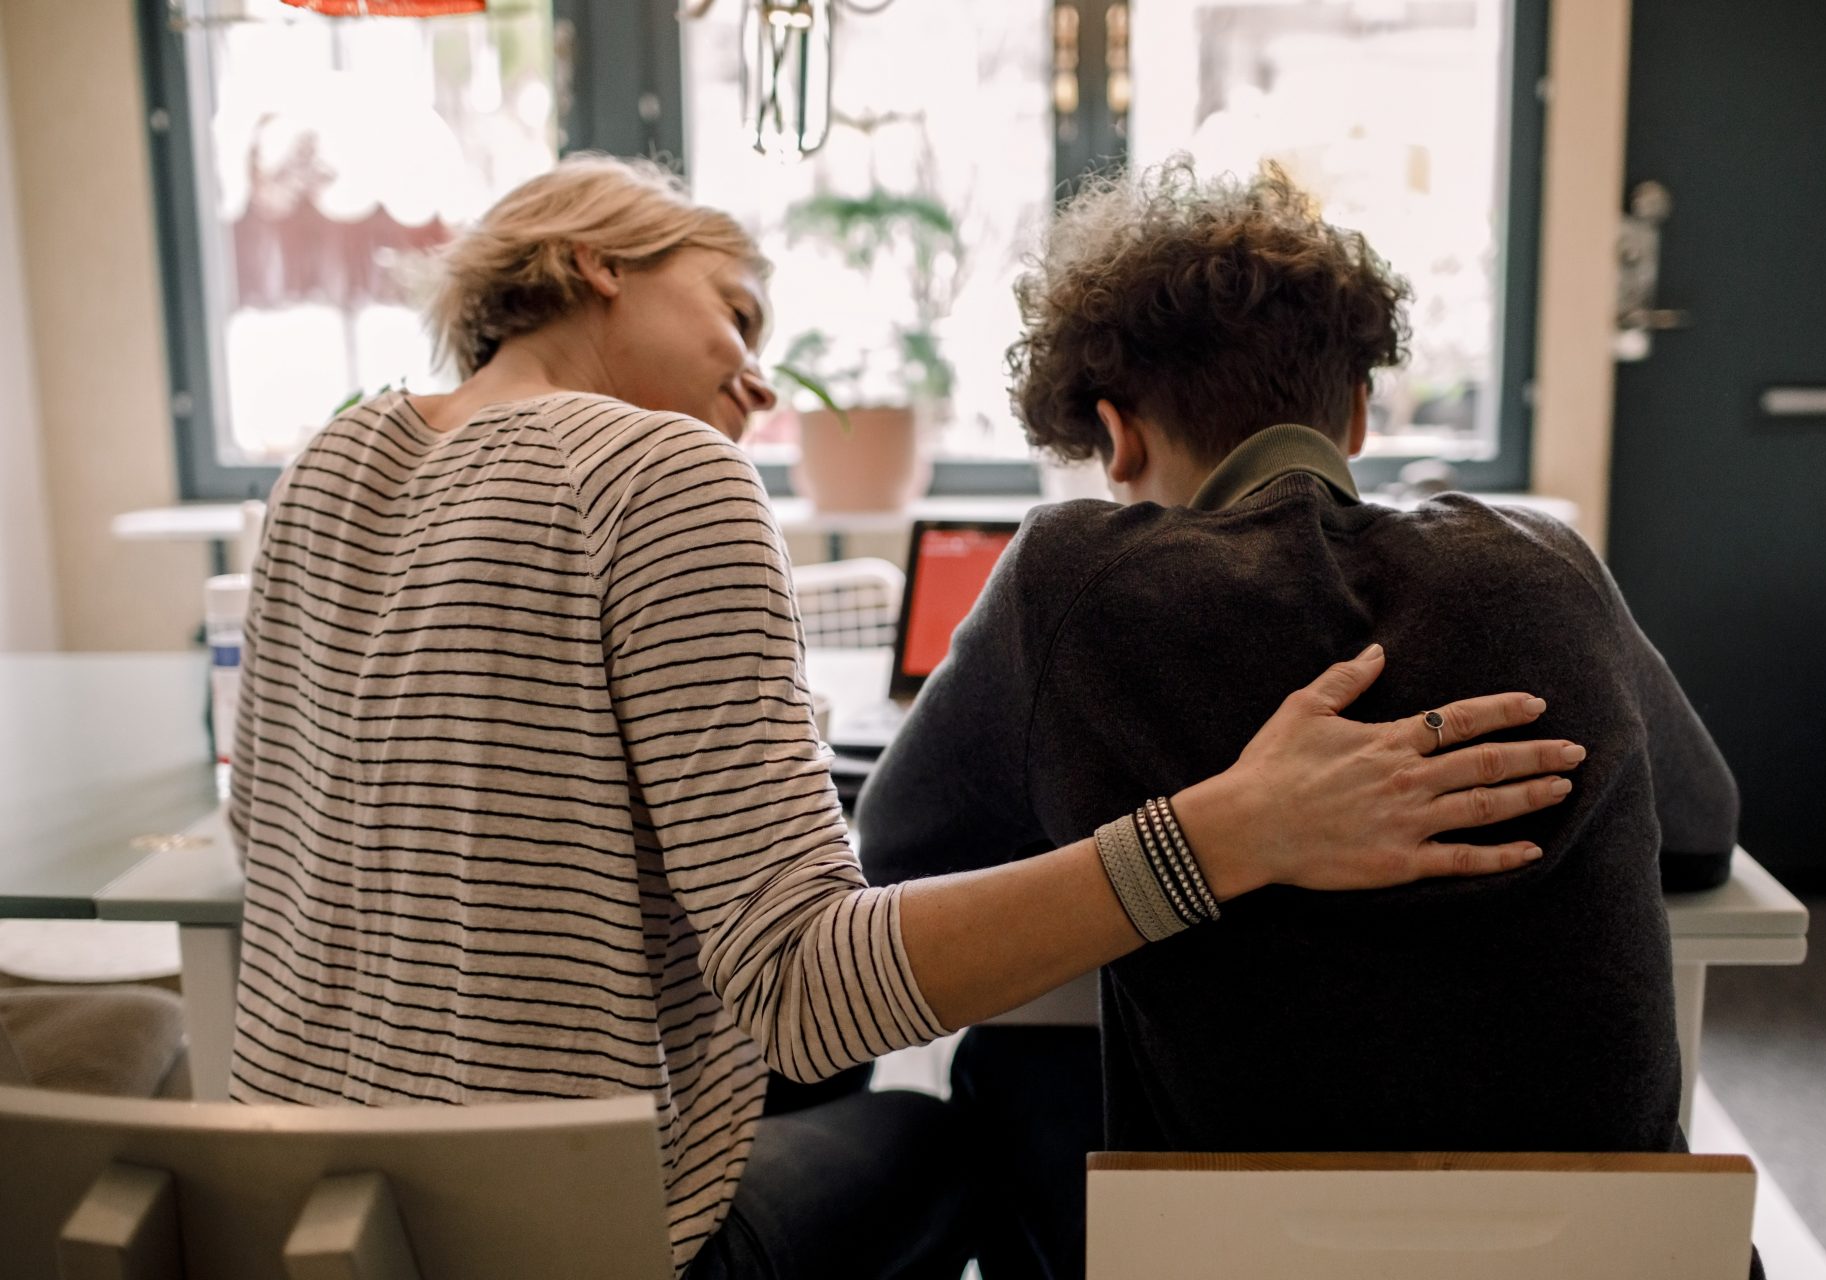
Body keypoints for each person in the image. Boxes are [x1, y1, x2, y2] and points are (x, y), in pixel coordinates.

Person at [224, 155, 1581, 1280]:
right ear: (598, 261)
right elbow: (812, 996)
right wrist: (1224, 833)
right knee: (960, 1129)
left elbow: (275, 839)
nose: (759, 384)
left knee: (829, 1101)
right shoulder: (663, 470)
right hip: (569, 1248)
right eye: (738, 316)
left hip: (299, 1221)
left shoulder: (327, 462)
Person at [858, 159, 1741, 1279]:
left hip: (1229, 1261)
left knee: (1007, 1071)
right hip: (1607, 1265)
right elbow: (1706, 828)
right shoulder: (1540, 560)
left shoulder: (1073, 581)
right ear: (1360, 412)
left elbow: (895, 852)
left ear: (1117, 437)